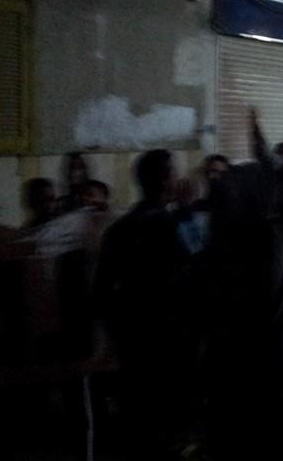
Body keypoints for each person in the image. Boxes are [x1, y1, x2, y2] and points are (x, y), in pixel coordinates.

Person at [94, 150, 190, 460]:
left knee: (137, 415)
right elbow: (192, 278)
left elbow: (101, 292)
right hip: (168, 337)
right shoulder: (171, 227)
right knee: (167, 419)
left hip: (131, 337)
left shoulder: (118, 229)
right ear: (165, 181)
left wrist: (116, 331)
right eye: (173, 173)